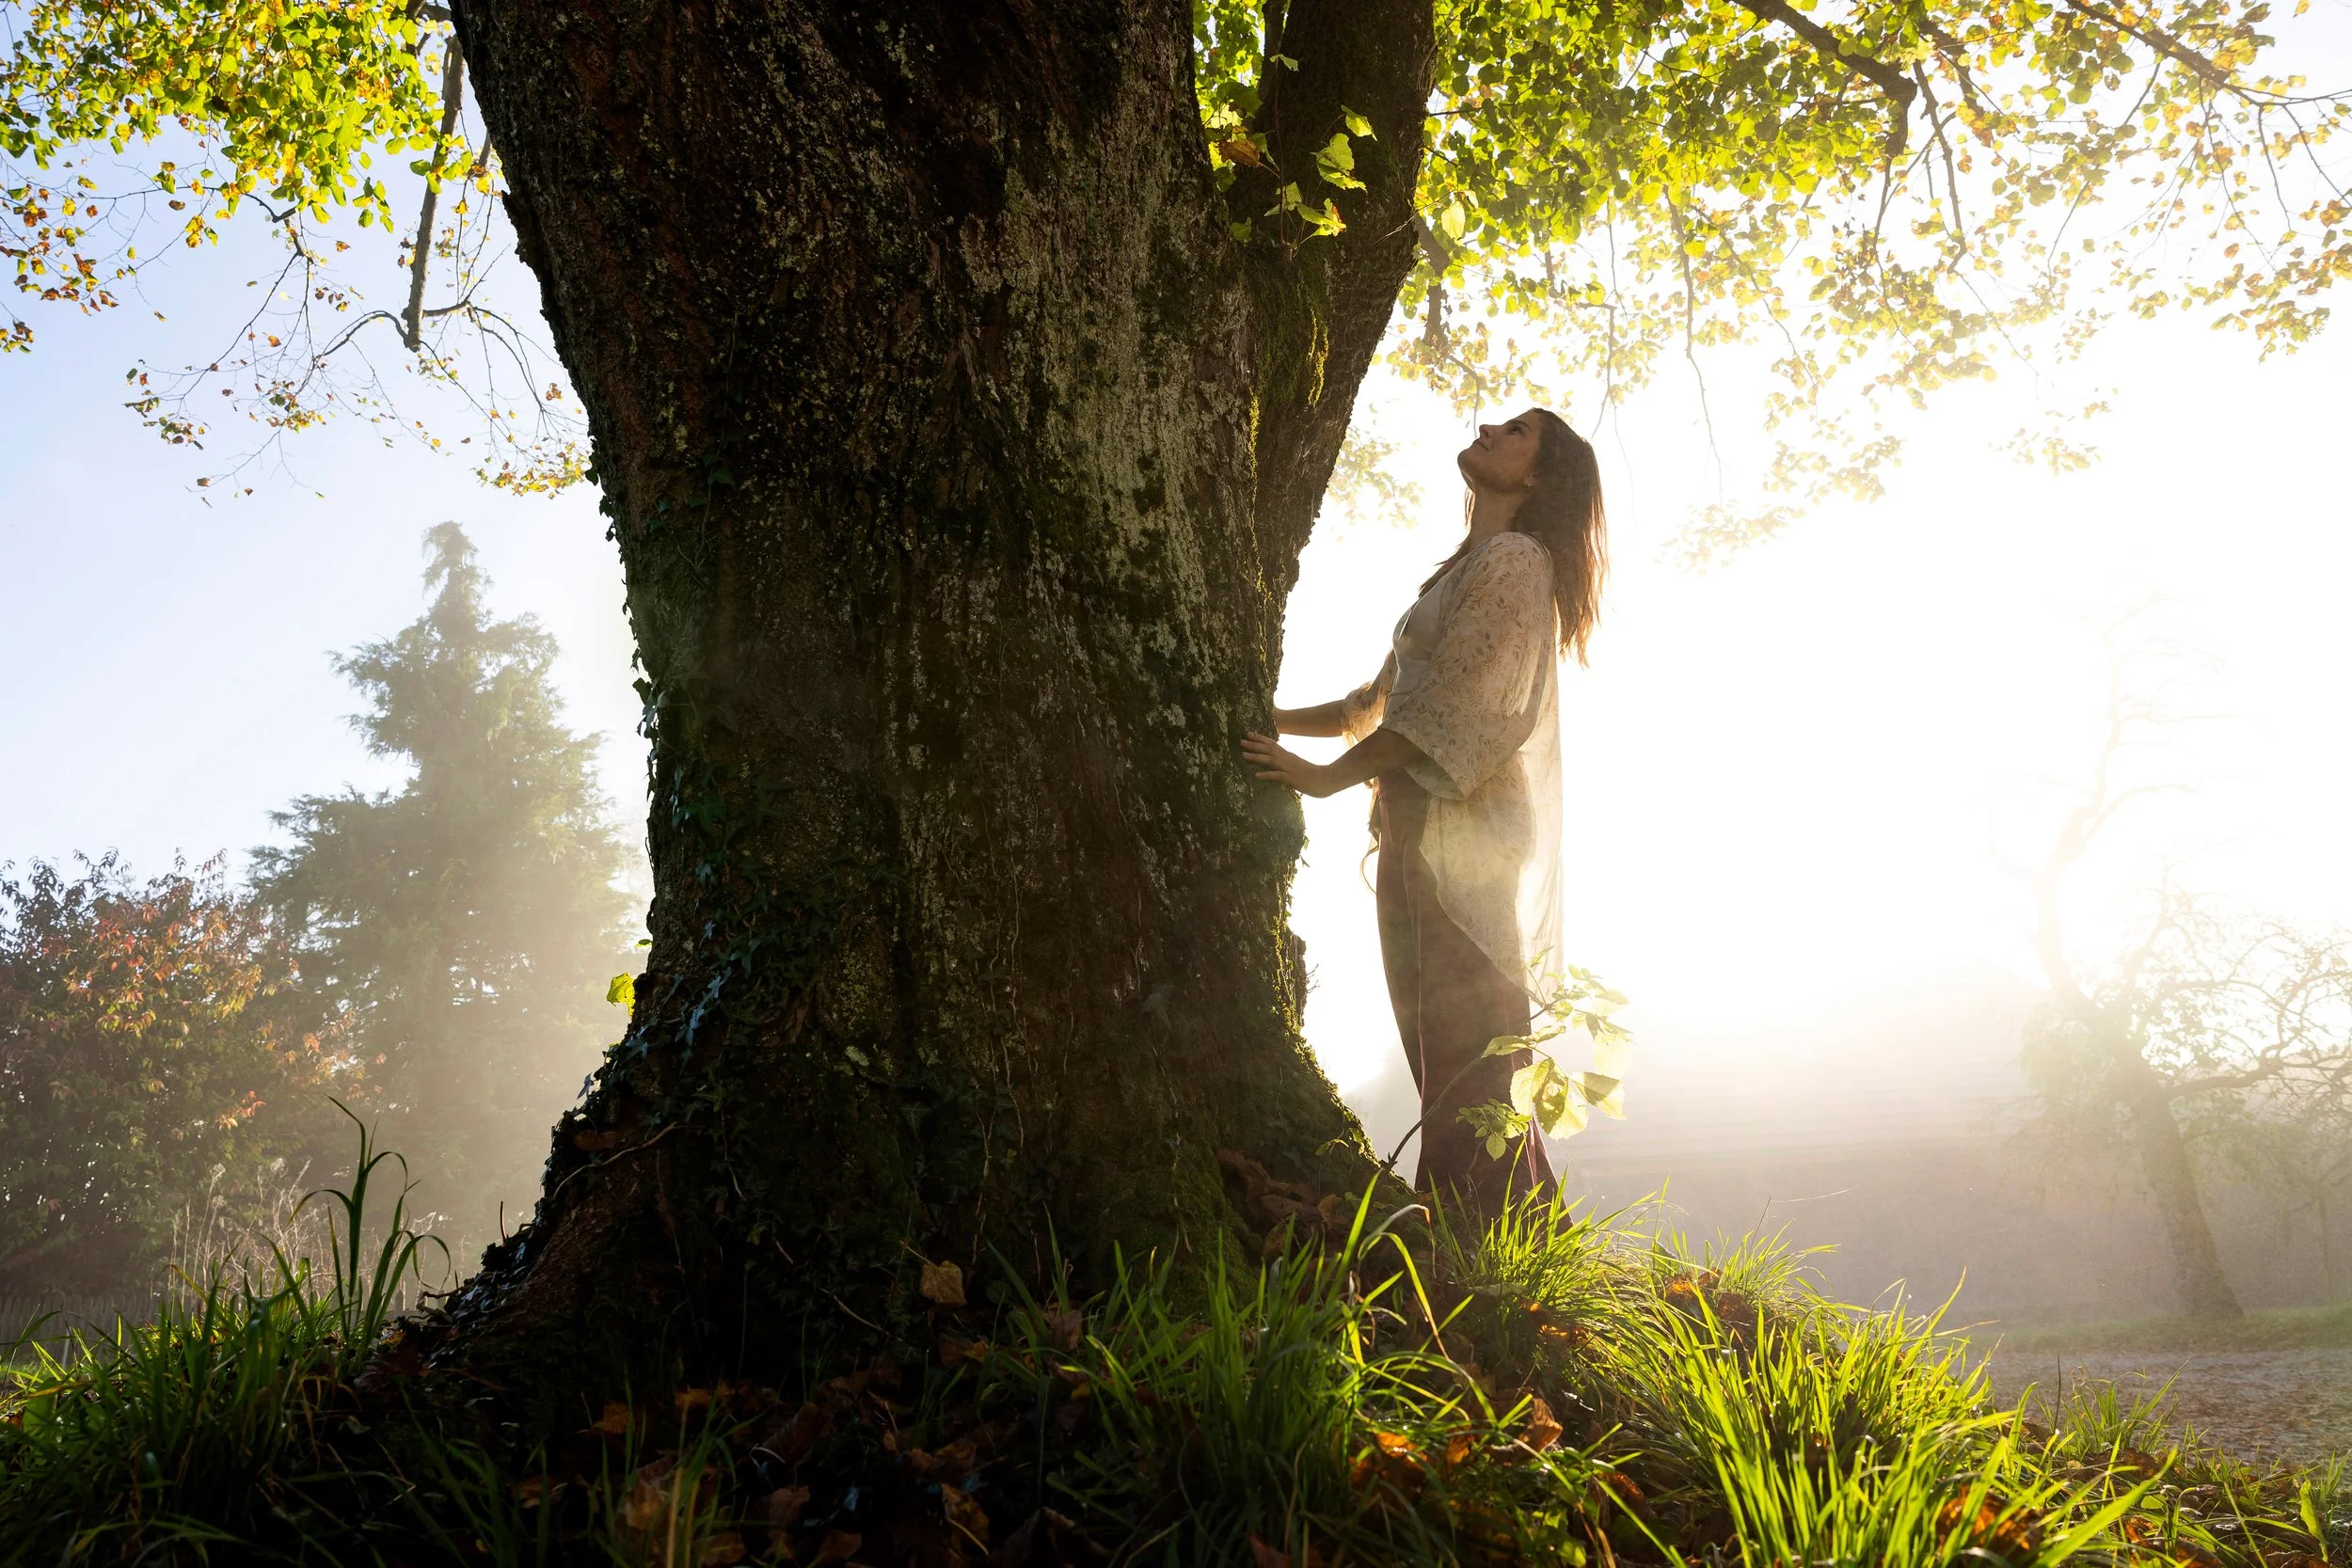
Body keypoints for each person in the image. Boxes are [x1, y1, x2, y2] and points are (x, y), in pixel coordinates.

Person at [1242, 408, 1606, 1213]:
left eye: (1517, 431)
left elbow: (1449, 710)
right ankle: (1505, 1235)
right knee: (1440, 1060)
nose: (1490, 425)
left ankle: (1480, 1241)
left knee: (1470, 1062)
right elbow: (1371, 703)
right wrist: (1262, 716)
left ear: (1537, 476)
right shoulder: (1458, 572)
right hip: (1410, 840)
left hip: (1461, 850)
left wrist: (1324, 780)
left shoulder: (1516, 562)